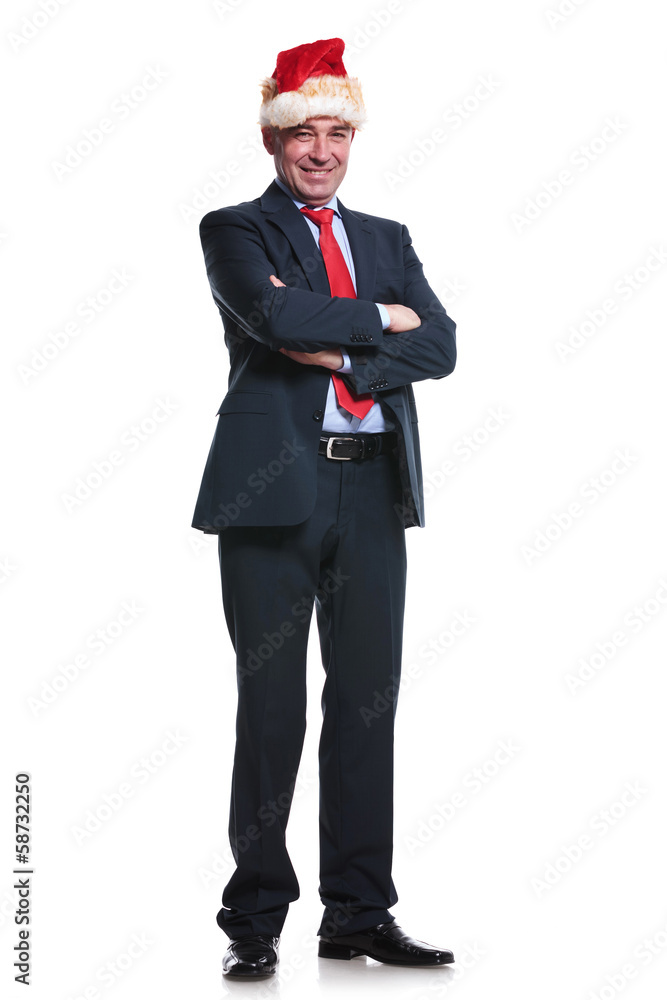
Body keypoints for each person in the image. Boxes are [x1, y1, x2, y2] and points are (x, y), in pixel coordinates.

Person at [192, 37, 457, 979]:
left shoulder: (386, 238)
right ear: (273, 139)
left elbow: (442, 345)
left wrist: (341, 351)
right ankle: (255, 917)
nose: (320, 150)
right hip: (273, 492)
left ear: (352, 139)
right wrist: (382, 319)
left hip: (373, 490)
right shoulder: (235, 229)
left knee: (365, 704)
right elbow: (271, 318)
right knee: (270, 709)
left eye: (336, 133)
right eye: (302, 132)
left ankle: (357, 912)